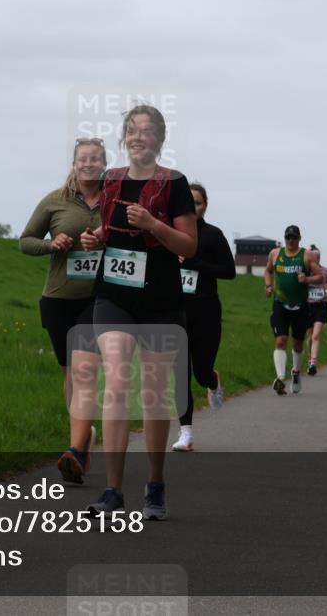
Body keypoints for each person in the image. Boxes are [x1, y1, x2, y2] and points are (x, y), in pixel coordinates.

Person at [79, 105, 197, 520]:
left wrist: (152, 224)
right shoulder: (111, 181)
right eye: (132, 130)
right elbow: (108, 232)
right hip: (114, 296)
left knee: (151, 391)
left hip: (161, 300)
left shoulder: (174, 183)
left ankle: (156, 482)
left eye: (146, 131)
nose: (138, 137)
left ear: (160, 140)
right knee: (115, 383)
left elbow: (188, 246)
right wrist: (95, 239)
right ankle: (112, 489)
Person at [19, 138, 105, 483]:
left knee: (84, 372)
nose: (88, 163)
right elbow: (25, 240)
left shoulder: (114, 200)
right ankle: (85, 437)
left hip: (99, 299)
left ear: (104, 163)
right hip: (58, 298)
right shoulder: (55, 201)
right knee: (71, 375)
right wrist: (51, 244)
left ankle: (76, 452)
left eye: (95, 158)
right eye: (83, 158)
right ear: (74, 163)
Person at [172, 182, 235, 452]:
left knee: (200, 372)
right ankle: (185, 433)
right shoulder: (169, 233)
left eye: (197, 203)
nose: (192, 207)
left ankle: (212, 380)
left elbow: (229, 271)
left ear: (205, 205)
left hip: (206, 309)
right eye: (188, 202)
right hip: (175, 310)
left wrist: (198, 265)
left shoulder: (213, 235)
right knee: (180, 372)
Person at [264, 226, 322, 394]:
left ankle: (296, 372)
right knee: (280, 340)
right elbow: (268, 271)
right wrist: (268, 286)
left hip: (301, 306)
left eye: (294, 237)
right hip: (280, 304)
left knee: (297, 343)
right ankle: (280, 378)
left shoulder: (306, 255)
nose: (290, 240)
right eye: (288, 237)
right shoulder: (275, 254)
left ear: (299, 239)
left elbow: (320, 277)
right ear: (284, 238)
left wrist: (307, 278)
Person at [304, 245, 327, 376]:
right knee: (309, 337)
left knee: (316, 336)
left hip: (321, 305)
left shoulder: (325, 271)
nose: (316, 259)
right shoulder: (305, 271)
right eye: (314, 257)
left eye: (318, 257)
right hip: (308, 306)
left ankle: (313, 364)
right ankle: (310, 360)